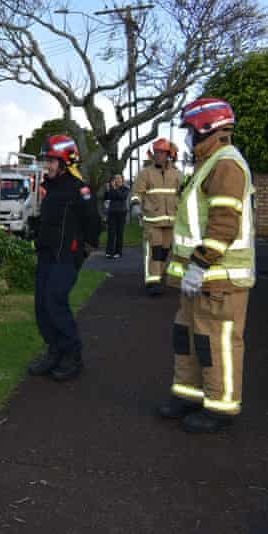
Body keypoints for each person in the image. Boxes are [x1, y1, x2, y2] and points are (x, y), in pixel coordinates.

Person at [158, 98, 256, 433]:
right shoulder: (209, 163)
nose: (186, 139)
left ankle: (220, 407)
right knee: (187, 337)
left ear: (206, 128)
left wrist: (199, 264)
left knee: (217, 342)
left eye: (189, 131)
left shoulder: (226, 165)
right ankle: (189, 394)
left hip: (220, 278)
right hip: (200, 278)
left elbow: (224, 225)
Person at [26, 135, 101, 381]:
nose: (47, 165)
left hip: (66, 257)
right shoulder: (51, 186)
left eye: (51, 160)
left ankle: (72, 355)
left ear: (66, 161)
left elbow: (93, 222)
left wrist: (85, 249)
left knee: (55, 303)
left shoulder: (79, 189)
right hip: (47, 254)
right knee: (42, 307)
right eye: (47, 160)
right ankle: (54, 350)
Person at [130, 138, 183, 296]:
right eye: (156, 152)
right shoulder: (145, 173)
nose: (158, 155)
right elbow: (137, 192)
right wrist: (136, 205)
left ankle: (158, 277)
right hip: (152, 220)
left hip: (171, 220)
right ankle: (152, 282)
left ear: (169, 154)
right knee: (155, 250)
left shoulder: (177, 174)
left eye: (162, 153)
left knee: (165, 251)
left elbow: (183, 194)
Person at [103, 174, 130, 259]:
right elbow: (107, 198)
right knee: (111, 233)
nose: (117, 180)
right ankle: (109, 252)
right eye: (115, 178)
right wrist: (107, 190)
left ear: (122, 179)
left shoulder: (125, 188)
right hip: (112, 212)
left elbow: (122, 197)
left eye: (118, 178)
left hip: (121, 212)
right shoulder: (112, 188)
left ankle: (118, 252)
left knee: (119, 233)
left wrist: (114, 188)